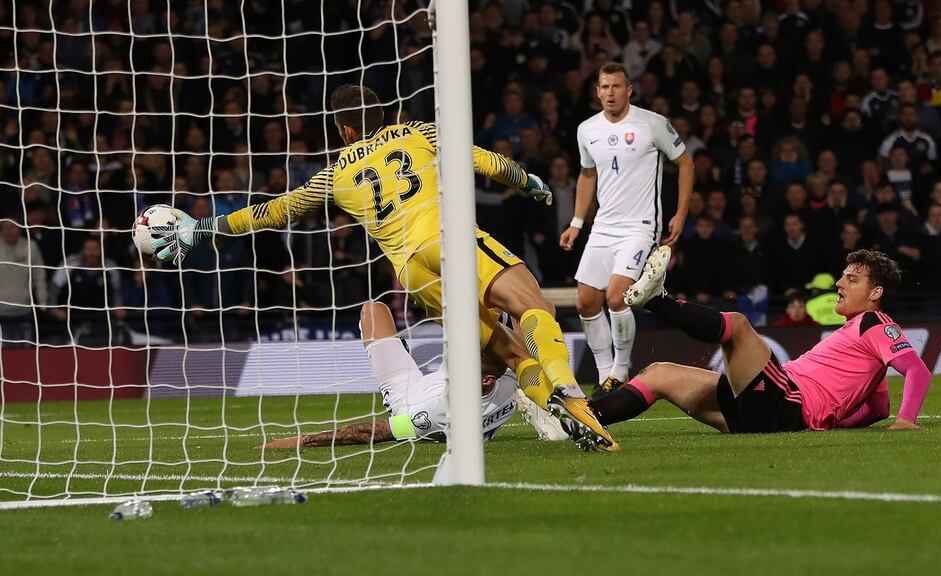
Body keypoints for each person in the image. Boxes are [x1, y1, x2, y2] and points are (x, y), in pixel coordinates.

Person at [150, 85, 618, 452]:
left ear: (345, 130)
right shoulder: (417, 133)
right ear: (385, 119)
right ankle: (570, 396)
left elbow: (274, 211)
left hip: (415, 275)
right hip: (448, 238)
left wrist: (204, 227)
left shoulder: (334, 175)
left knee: (512, 354)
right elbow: (482, 160)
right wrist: (526, 180)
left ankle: (554, 404)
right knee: (534, 307)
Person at [583, 246, 932, 434]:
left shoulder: (875, 322)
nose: (840, 283)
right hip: (767, 411)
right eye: (842, 276)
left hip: (788, 404)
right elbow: (878, 408)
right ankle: (585, 417)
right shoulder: (858, 333)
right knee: (658, 373)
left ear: (876, 293)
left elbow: (917, 370)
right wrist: (835, 423)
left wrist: (907, 420)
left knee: (737, 325)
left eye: (852, 279)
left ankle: (657, 301)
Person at [558, 61, 693, 398]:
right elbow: (587, 174)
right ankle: (605, 374)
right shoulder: (587, 130)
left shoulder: (652, 124)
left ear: (629, 90)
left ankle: (621, 370)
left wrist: (680, 213)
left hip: (640, 225)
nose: (610, 93)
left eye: (616, 86)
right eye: (604, 87)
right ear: (597, 91)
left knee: (617, 297)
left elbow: (686, 163)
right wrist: (577, 222)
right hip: (604, 226)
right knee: (586, 302)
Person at [262, 302, 567, 449]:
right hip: (466, 388)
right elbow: (537, 314)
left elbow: (373, 433)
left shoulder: (438, 412)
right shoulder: (510, 368)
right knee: (521, 310)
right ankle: (537, 403)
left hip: (411, 395)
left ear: (486, 379)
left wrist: (297, 442)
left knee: (372, 311)